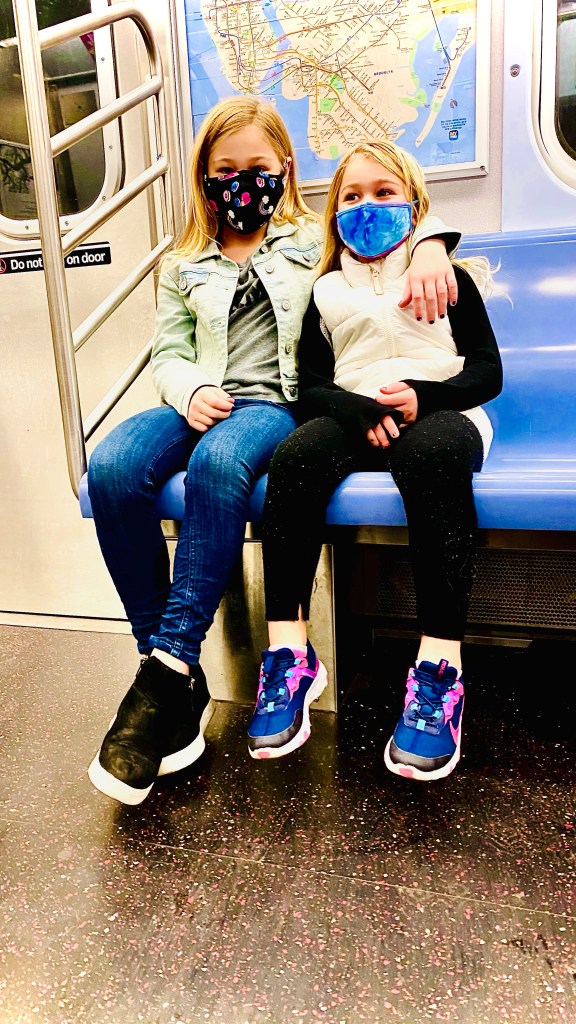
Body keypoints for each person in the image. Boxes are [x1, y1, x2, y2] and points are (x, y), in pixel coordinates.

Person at [87, 97, 464, 805]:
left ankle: (167, 670)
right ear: (204, 178)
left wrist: (433, 242)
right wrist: (190, 388)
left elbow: (385, 231)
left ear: (284, 169)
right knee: (109, 469)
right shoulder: (183, 262)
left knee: (217, 464)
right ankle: (169, 678)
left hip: (272, 405)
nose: (243, 183)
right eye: (225, 171)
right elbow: (169, 352)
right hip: (196, 398)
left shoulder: (308, 239)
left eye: (256, 168)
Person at [248, 140, 503, 782]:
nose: (367, 206)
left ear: (414, 207)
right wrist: (354, 409)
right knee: (295, 457)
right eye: (352, 196)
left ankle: (439, 670)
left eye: (384, 192)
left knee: (432, 458)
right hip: (358, 413)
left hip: (441, 409)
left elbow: (486, 371)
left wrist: (426, 398)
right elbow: (310, 386)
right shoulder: (326, 290)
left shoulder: (445, 275)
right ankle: (289, 655)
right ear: (334, 214)